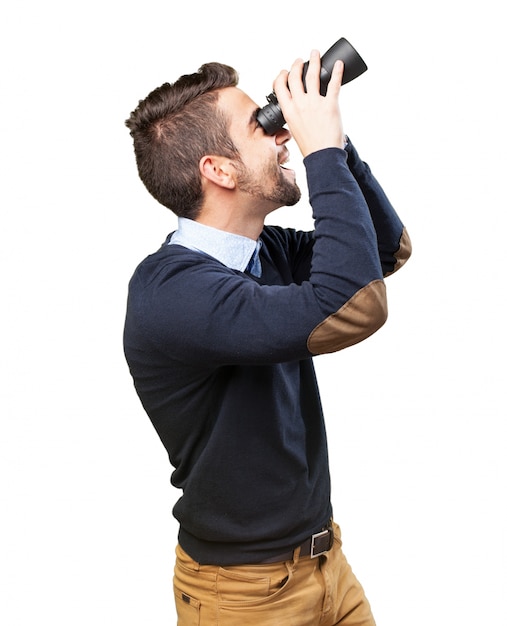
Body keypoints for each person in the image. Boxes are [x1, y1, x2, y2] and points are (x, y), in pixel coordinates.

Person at [123, 50, 411, 626]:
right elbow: (354, 304)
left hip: (326, 563)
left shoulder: (268, 252)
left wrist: (338, 147)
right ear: (219, 170)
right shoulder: (172, 293)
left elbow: (384, 253)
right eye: (265, 125)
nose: (282, 137)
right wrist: (319, 150)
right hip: (244, 597)